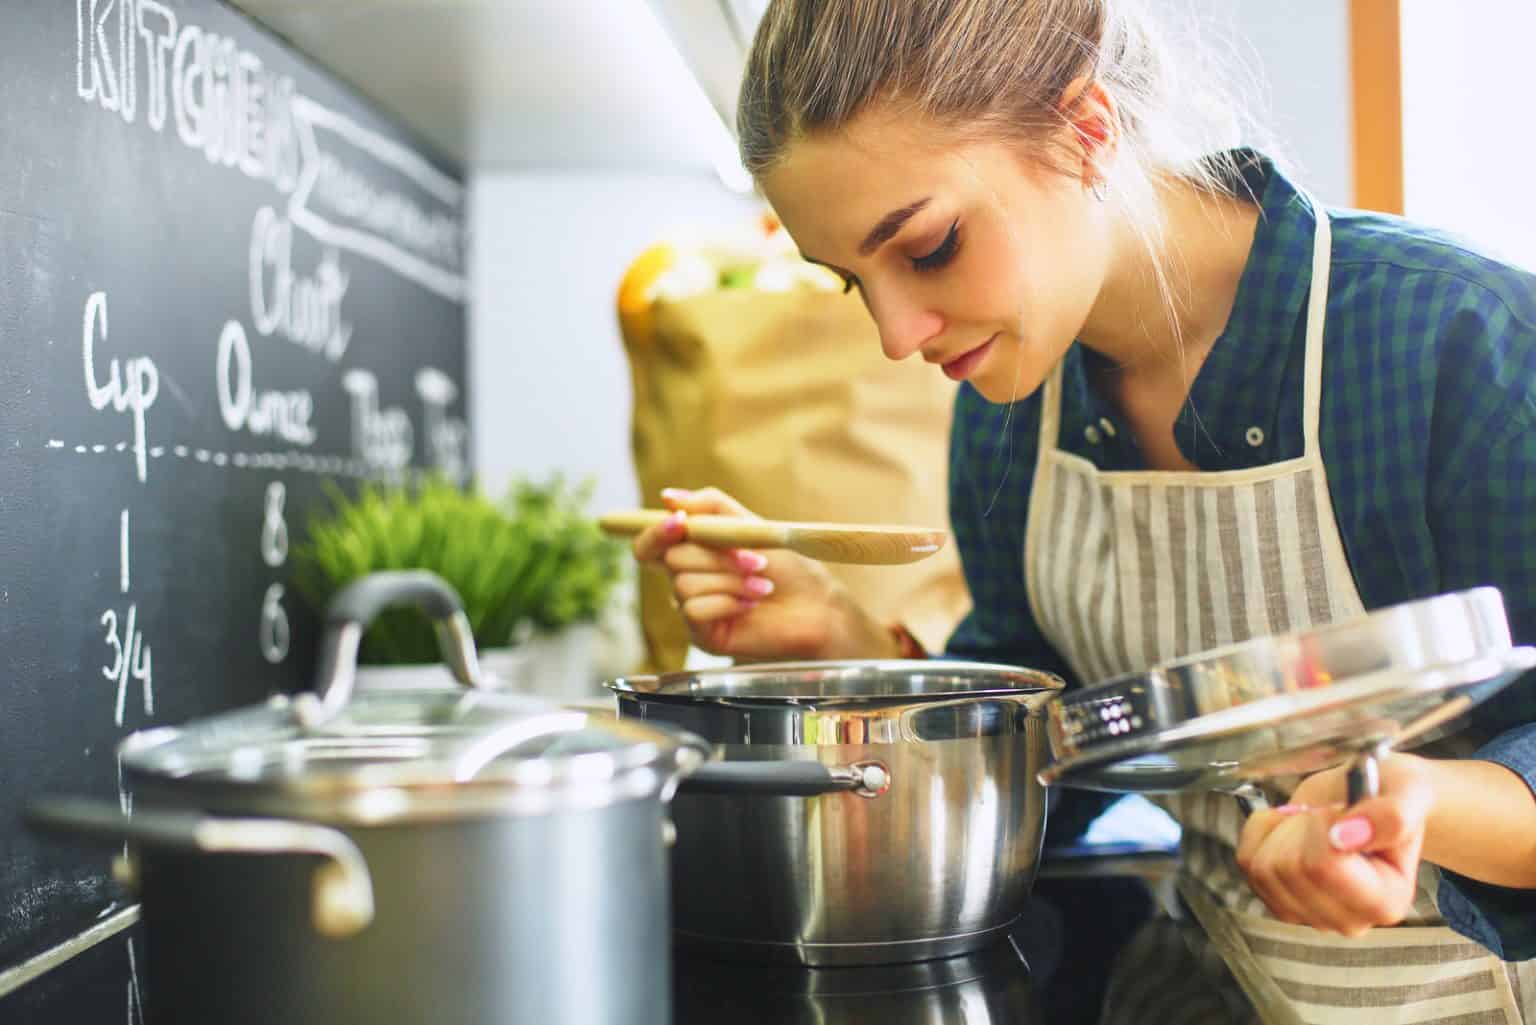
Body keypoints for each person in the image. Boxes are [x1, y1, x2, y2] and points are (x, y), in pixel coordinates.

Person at [629, 1, 1536, 1021]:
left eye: (926, 248)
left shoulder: (1458, 342)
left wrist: (1411, 802)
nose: (895, 333)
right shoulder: (1013, 417)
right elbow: (1057, 763)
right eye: (852, 281)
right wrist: (850, 645)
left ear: (1086, 128)